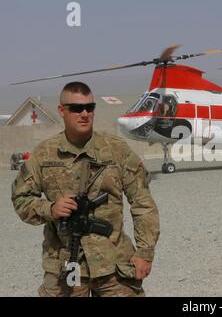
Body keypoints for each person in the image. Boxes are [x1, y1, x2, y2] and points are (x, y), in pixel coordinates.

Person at [11, 82, 160, 297]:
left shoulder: (116, 151)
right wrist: (50, 208)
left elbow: (143, 203)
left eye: (89, 108)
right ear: (62, 111)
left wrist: (145, 253)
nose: (84, 114)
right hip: (65, 266)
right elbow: (21, 198)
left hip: (115, 266)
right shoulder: (44, 154)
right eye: (76, 108)